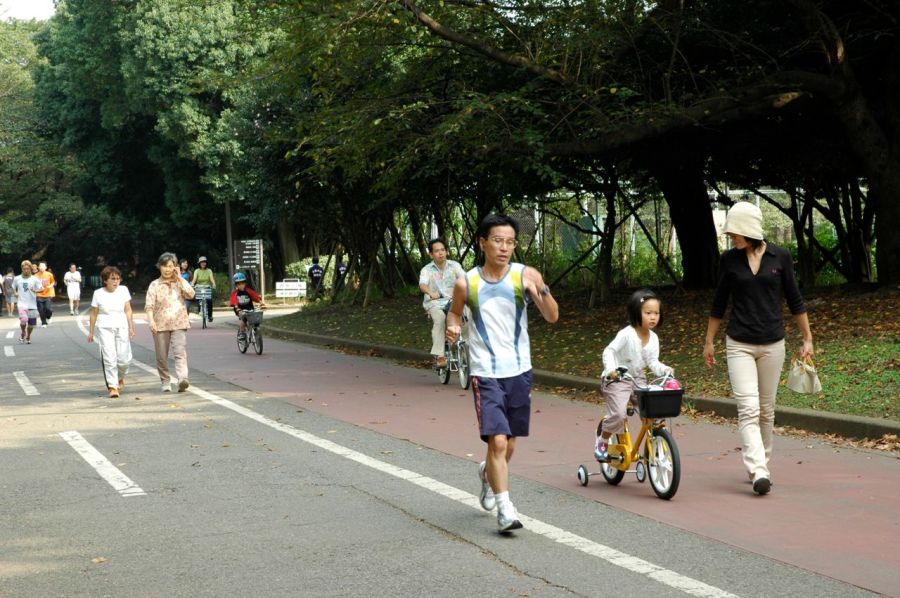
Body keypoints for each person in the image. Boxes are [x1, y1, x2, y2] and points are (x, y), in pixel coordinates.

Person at [446, 214, 559, 533]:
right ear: (483, 243)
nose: (504, 247)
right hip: (486, 372)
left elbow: (552, 317)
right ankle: (505, 509)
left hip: (520, 371)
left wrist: (542, 289)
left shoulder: (524, 275)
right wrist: (454, 329)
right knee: (497, 441)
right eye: (498, 240)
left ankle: (487, 474)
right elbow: (454, 314)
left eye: (510, 242)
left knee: (508, 445)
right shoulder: (466, 283)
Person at [702, 202, 814, 496]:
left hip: (773, 343)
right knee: (748, 408)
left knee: (766, 410)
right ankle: (759, 470)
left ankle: (760, 463)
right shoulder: (729, 260)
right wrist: (709, 340)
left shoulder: (781, 257)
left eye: (735, 233)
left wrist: (807, 338)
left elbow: (795, 299)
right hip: (739, 343)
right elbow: (719, 302)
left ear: (750, 230)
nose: (732, 238)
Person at [594, 289, 674, 461]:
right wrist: (611, 370)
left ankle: (654, 445)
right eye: (648, 313)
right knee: (619, 415)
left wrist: (664, 369)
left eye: (656, 313)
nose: (653, 317)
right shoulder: (626, 334)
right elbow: (609, 351)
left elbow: (653, 362)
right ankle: (602, 441)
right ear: (636, 313)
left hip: (638, 379)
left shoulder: (653, 338)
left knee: (653, 414)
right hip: (618, 379)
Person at [146, 252, 195, 393]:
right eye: (164, 266)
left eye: (170, 266)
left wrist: (180, 278)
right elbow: (149, 306)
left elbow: (191, 294)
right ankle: (165, 381)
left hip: (179, 323)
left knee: (180, 352)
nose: (167, 269)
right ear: (159, 267)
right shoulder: (154, 285)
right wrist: (151, 321)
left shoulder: (180, 282)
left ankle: (182, 379)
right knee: (161, 356)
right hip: (160, 324)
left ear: (175, 267)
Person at [87, 266, 135, 398]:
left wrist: (131, 327)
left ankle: (121, 377)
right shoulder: (98, 293)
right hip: (105, 328)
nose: (116, 281)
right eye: (112, 279)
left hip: (122, 326)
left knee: (124, 359)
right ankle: (113, 386)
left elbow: (128, 310)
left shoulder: (123, 290)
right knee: (109, 357)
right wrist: (91, 332)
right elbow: (93, 313)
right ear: (105, 280)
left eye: (118, 278)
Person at [418, 238, 465, 367]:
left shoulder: (455, 266)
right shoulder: (426, 270)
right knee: (440, 319)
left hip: (453, 300)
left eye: (443, 250)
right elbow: (422, 284)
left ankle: (467, 348)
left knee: (468, 315)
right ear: (431, 254)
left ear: (447, 252)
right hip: (435, 303)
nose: (440, 253)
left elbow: (464, 278)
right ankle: (440, 355)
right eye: (437, 251)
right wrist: (430, 292)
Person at [13, 260, 45, 344]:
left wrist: (36, 290)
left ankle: (28, 336)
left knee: (31, 325)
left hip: (32, 305)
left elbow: (42, 288)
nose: (26, 270)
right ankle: (23, 331)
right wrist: (15, 292)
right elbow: (13, 287)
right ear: (22, 269)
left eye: (28, 269)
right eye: (24, 269)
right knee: (23, 320)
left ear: (30, 269)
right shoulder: (17, 278)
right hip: (21, 304)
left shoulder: (34, 279)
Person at [229, 272, 266, 340]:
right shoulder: (235, 293)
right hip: (239, 309)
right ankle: (242, 333)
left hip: (249, 307)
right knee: (244, 319)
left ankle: (255, 330)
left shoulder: (248, 291)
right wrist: (237, 308)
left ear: (245, 283)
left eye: (242, 283)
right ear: (236, 285)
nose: (241, 285)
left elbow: (255, 297)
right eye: (238, 284)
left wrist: (261, 303)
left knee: (255, 318)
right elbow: (234, 301)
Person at [190, 256, 217, 322]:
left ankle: (210, 316)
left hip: (207, 287)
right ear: (199, 263)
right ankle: (199, 310)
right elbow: (194, 279)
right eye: (201, 262)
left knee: (209, 301)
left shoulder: (209, 270)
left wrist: (213, 284)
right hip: (199, 287)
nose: (203, 263)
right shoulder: (197, 271)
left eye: (204, 262)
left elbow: (211, 278)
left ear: (206, 263)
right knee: (198, 297)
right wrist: (192, 284)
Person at [34, 261, 56, 327]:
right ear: (38, 267)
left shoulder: (49, 274)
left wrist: (50, 286)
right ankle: (44, 323)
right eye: (40, 266)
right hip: (39, 295)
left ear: (45, 267)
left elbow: (53, 282)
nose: (41, 267)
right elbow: (33, 285)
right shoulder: (35, 275)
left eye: (43, 266)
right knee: (41, 310)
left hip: (48, 294)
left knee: (48, 309)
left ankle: (48, 317)